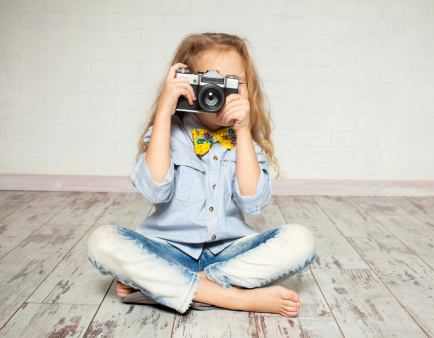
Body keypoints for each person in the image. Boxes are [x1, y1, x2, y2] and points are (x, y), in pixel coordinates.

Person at [87, 32, 316, 318]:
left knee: (301, 240)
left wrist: (243, 131)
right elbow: (155, 190)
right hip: (168, 251)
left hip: (229, 253)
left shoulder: (246, 139)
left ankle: (163, 287)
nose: (216, 93)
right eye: (210, 81)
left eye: (232, 82)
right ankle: (236, 299)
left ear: (247, 88)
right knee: (102, 241)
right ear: (188, 84)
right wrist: (164, 111)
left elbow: (253, 203)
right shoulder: (168, 131)